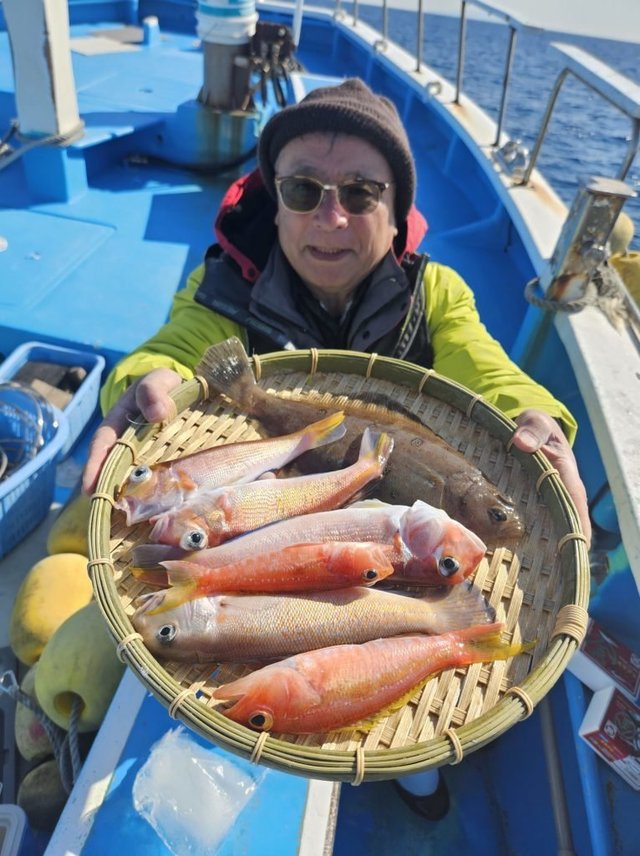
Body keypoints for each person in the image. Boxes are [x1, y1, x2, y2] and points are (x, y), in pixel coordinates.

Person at [82, 78, 591, 819]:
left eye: (360, 193)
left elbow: (487, 369)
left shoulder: (437, 294)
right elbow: (177, 349)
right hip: (284, 487)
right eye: (302, 189)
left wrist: (537, 415)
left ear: (394, 215)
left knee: (368, 684)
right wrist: (140, 380)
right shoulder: (224, 283)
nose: (331, 215)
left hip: (355, 520)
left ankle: (399, 762)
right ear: (272, 199)